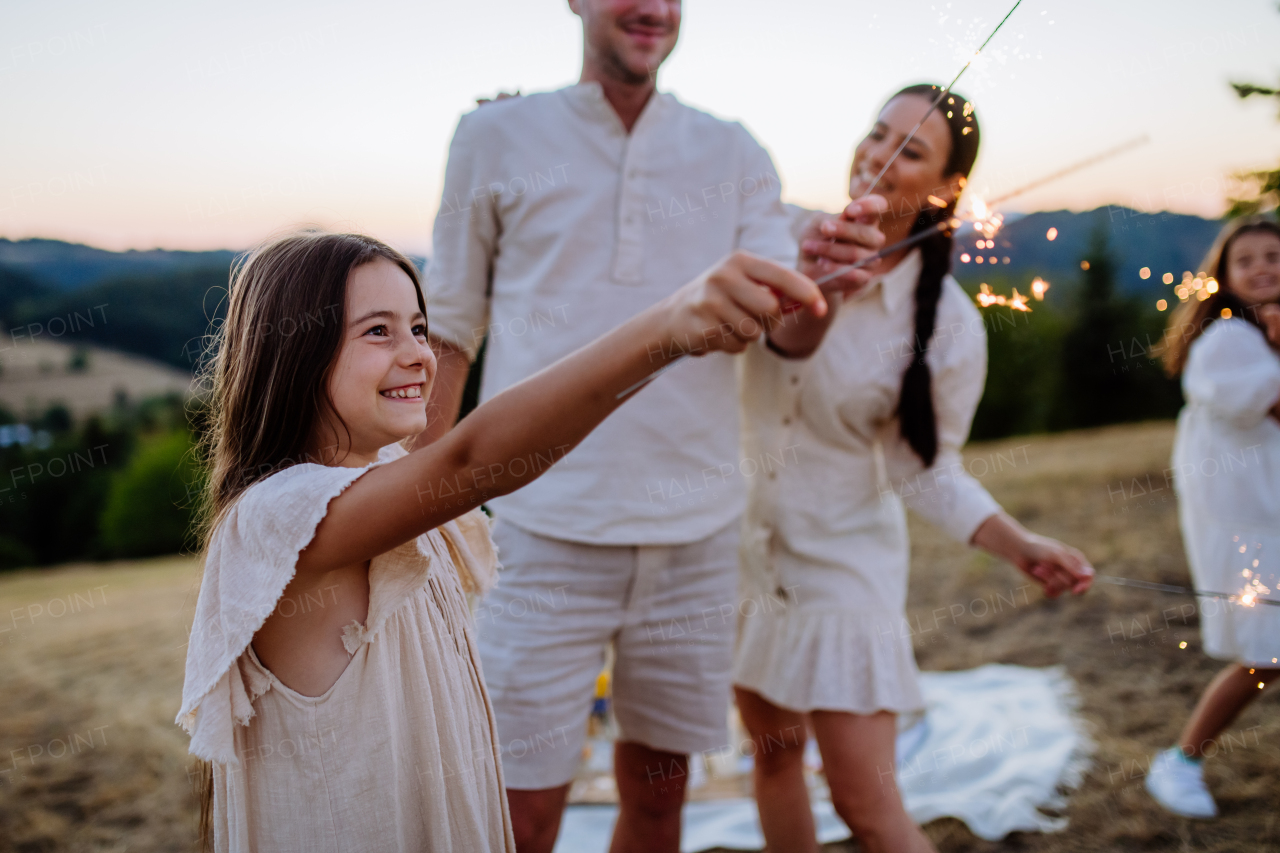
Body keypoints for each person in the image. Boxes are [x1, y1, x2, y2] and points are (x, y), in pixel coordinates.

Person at [177, 230, 826, 852]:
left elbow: (509, 444)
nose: (419, 354)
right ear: (290, 351)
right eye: (379, 330)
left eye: (421, 328)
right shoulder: (277, 515)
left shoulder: (385, 486)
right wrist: (666, 327)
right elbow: (473, 460)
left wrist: (679, 344)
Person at [420, 1, 883, 850]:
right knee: (517, 816)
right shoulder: (494, 135)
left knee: (661, 801)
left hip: (697, 537)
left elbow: (789, 331)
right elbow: (449, 324)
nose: (656, 9)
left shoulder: (733, 151)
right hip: (541, 528)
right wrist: (415, 502)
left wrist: (824, 287)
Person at [731, 85, 1096, 853]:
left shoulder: (951, 325)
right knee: (774, 759)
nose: (878, 156)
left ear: (946, 188)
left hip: (843, 568)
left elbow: (926, 469)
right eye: (876, 133)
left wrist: (1018, 542)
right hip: (741, 554)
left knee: (869, 805)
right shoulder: (773, 240)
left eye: (911, 150)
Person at [1145, 216, 1280, 819]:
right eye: (1245, 259)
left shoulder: (1256, 338)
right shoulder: (1228, 338)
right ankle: (1182, 760)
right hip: (1249, 524)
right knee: (1264, 654)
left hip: (1263, 514)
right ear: (1222, 277)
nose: (1262, 268)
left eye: (1274, 256)